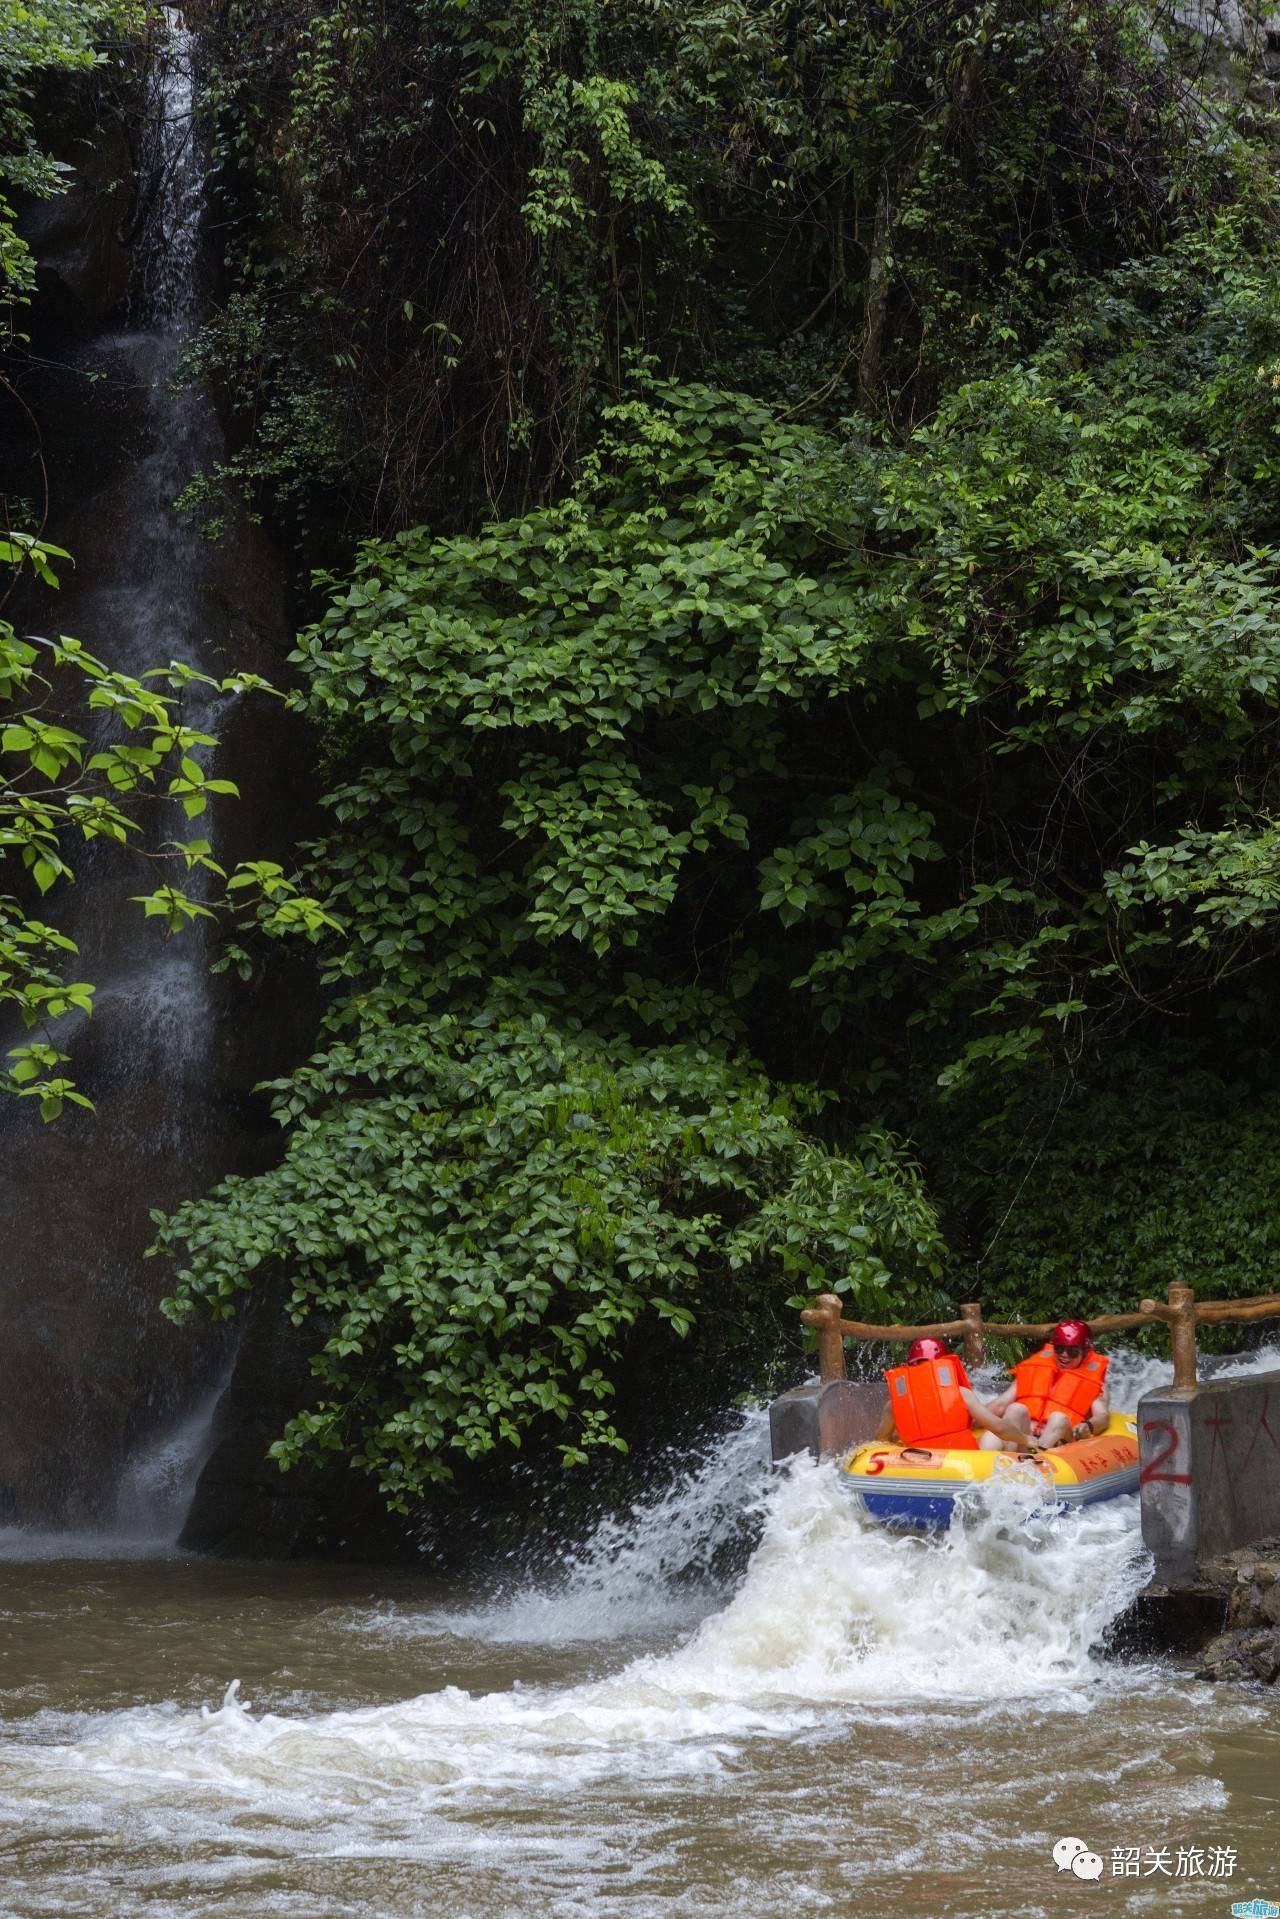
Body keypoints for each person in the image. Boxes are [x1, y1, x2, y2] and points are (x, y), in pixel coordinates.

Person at [876, 1336, 1041, 1454]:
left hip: (921, 1464)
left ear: (910, 1367)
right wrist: (1025, 1439)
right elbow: (999, 1428)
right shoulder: (961, 1394)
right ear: (943, 1365)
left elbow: (880, 1441)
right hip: (963, 1463)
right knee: (992, 1437)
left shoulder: (894, 1405)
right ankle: (1018, 1464)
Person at [985, 1319, 1110, 1450]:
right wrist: (970, 1418)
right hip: (1027, 1439)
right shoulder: (1034, 1369)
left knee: (1058, 1418)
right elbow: (1000, 1404)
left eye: (1072, 1352)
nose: (1064, 1355)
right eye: (1059, 1349)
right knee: (1015, 1409)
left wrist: (1088, 1426)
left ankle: (1036, 1462)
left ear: (1084, 1353)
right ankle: (1008, 1458)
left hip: (1060, 1442)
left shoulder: (1095, 1383)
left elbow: (1103, 1417)